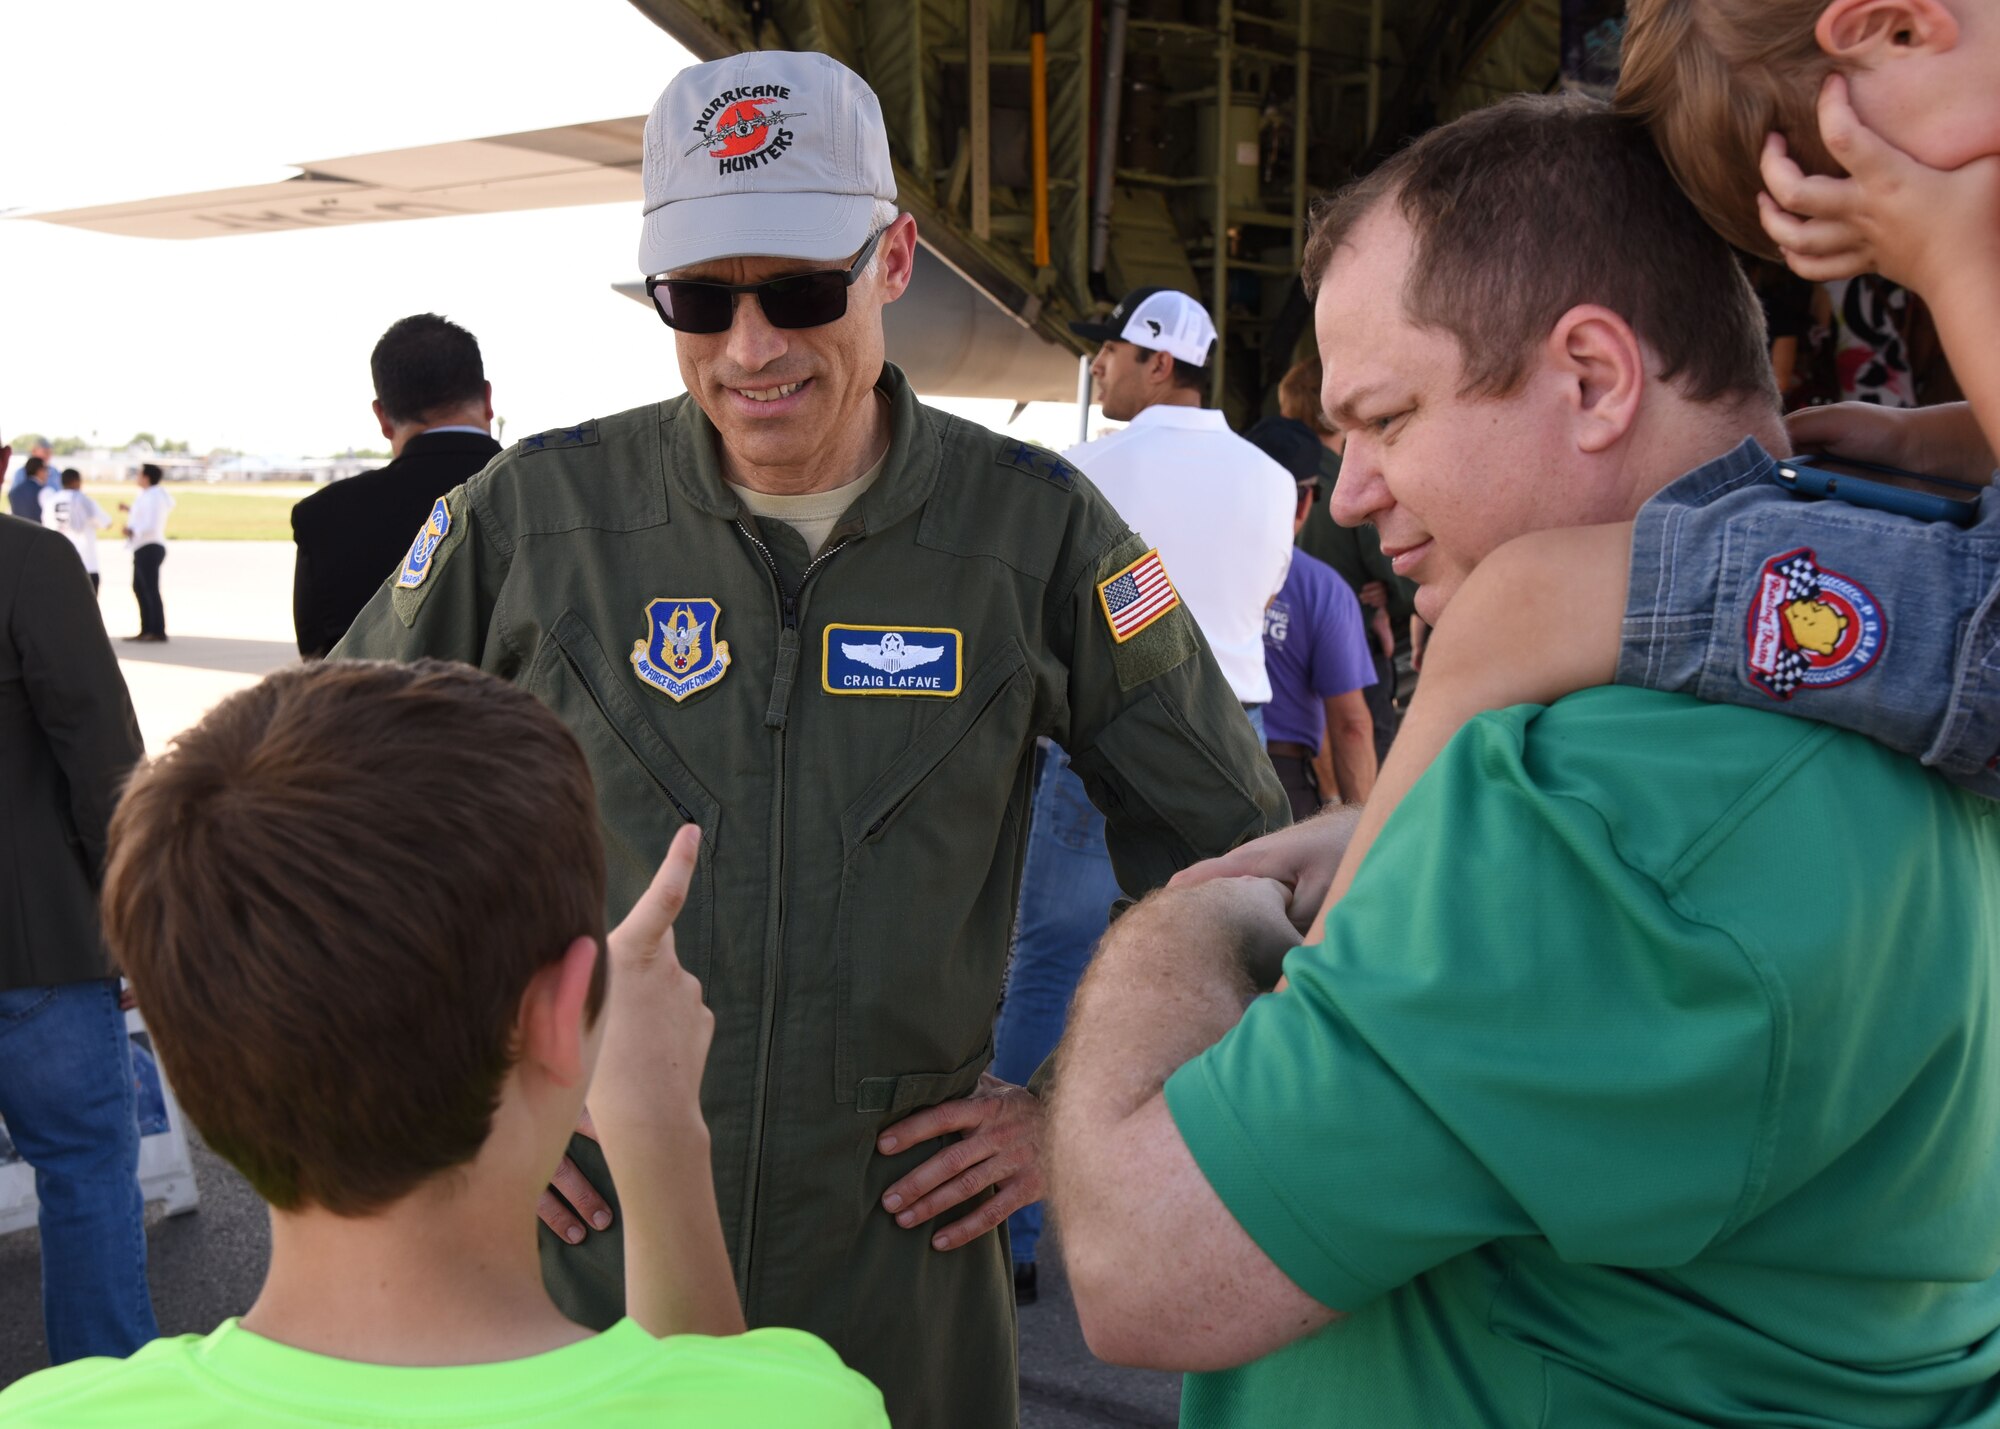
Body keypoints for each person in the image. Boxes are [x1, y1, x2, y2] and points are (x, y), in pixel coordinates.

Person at [332, 50, 1285, 1428]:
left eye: (799, 290)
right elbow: (312, 819)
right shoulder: (536, 517)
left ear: (894, 257)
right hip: (579, 1281)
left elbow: (1236, 856)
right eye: (699, 301)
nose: (751, 347)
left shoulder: (1033, 533)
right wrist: (450, 1091)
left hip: (895, 1283)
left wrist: (1071, 1107)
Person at [1046, 94, 2000, 1427]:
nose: (1360, 492)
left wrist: (1190, 920)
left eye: (1385, 418)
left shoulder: (1616, 805)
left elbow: (1139, 1267)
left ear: (1596, 378)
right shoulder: (1870, 668)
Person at [0, 659, 888, 1427]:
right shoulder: (806, 1407)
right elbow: (719, 1391)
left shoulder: (41, 1413)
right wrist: (660, 1135)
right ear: (556, 1017)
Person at [990, 284, 1295, 1299]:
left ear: (1158, 359)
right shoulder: (1263, 477)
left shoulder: (1084, 469)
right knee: (1226, 976)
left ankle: (1012, 1236)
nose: (1099, 369)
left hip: (1110, 735)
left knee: (1051, 966)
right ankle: (1229, 1230)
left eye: (1111, 353)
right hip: (1234, 741)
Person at [0, 510, 156, 1367]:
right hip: (36, 947)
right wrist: (136, 908)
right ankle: (103, 1406)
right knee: (87, 1175)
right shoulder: (28, 558)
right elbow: (101, 752)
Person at [290, 314, 504, 659]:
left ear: (383, 417)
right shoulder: (556, 493)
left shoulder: (323, 517)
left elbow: (321, 668)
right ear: (487, 398)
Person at [1277, 356, 1412, 758]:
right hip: (1353, 658)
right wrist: (1385, 598)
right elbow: (1401, 576)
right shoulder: (1351, 484)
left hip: (1281, 657)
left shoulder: (1270, 479)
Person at [1242, 417, 1377, 815]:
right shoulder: (1323, 588)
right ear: (1304, 501)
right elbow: (1351, 725)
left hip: (1179, 769)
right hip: (1280, 781)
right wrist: (1359, 838)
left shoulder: (1188, 564)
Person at [121, 463, 173, 643]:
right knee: (140, 588)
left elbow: (152, 523)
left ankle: (157, 631)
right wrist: (129, 510)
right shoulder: (148, 495)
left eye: (140, 474)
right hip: (142, 546)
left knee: (150, 589)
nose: (137, 477)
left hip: (150, 546)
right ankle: (146, 629)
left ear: (147, 477)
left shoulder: (154, 497)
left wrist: (132, 531)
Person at [47, 470, 111, 594]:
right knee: (87, 611)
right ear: (76, 481)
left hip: (59, 563)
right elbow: (106, 523)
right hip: (85, 563)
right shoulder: (83, 500)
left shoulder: (50, 502)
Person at [9, 454, 51, 522]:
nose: (48, 474)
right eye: (46, 469)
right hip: (39, 531)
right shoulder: (44, 491)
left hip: (18, 530)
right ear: (39, 470)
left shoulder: (13, 492)